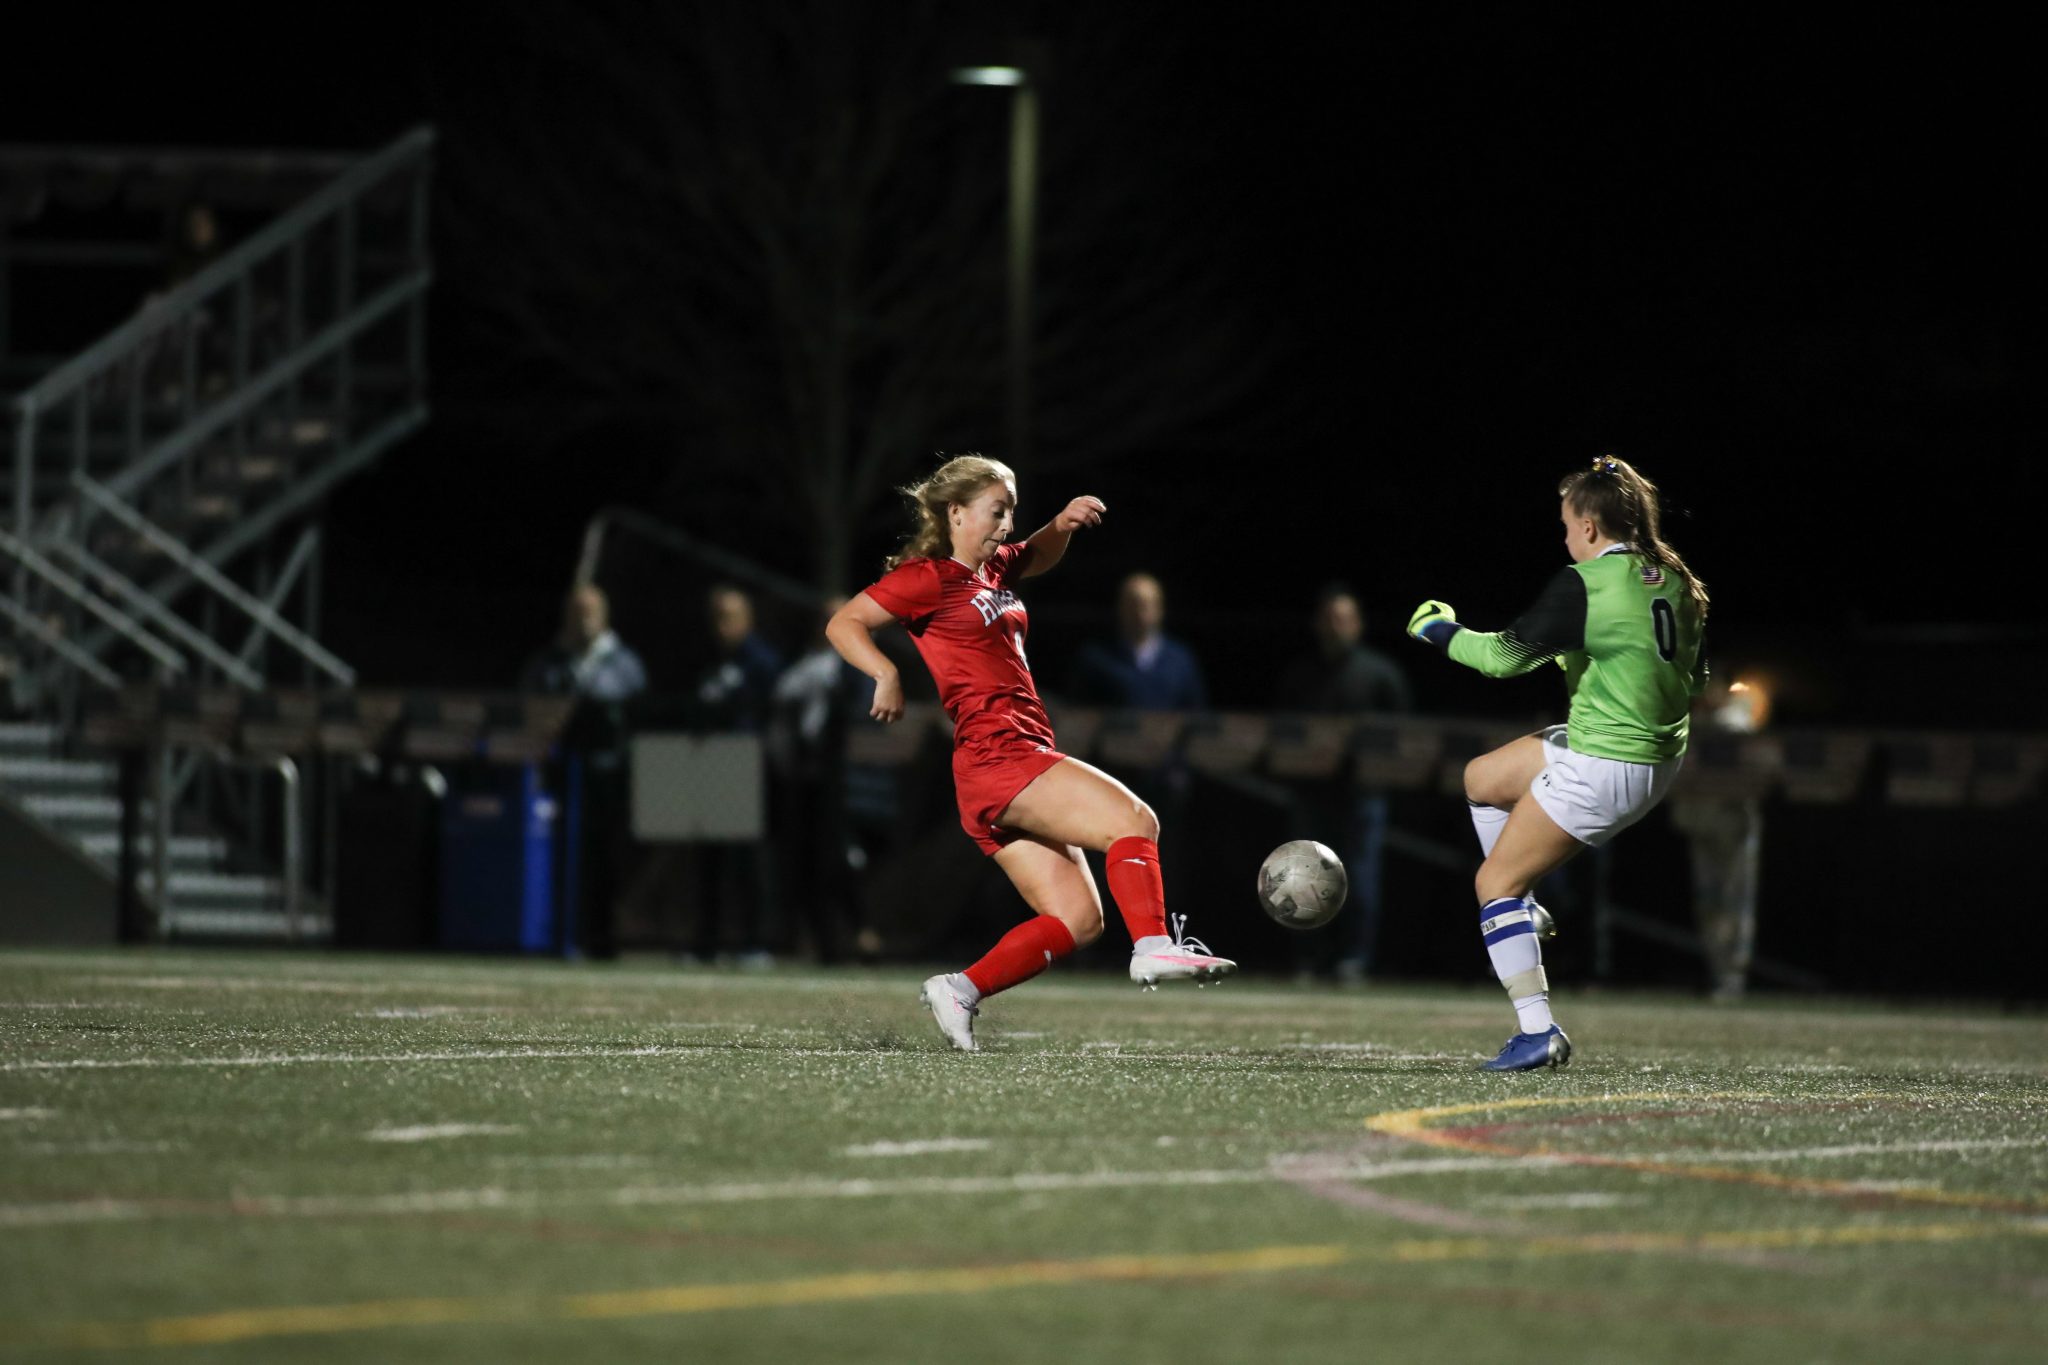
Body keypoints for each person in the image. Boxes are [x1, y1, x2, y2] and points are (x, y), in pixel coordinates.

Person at [826, 454, 1235, 1051]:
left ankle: (960, 990)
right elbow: (845, 623)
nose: (1007, 524)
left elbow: (1035, 555)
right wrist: (884, 673)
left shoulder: (991, 572)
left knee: (1077, 920)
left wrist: (1061, 525)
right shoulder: (930, 578)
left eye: (1012, 510)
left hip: (1002, 764)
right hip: (999, 755)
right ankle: (1151, 948)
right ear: (955, 512)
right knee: (1135, 821)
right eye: (997, 511)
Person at [1405, 455, 1708, 1071]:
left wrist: (1437, 630)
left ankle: (1537, 1029)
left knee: (1493, 885)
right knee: (1482, 780)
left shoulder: (1588, 584)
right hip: (1643, 751)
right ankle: (1526, 906)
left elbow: (1501, 659)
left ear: (1592, 528)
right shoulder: (1675, 579)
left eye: (1568, 523)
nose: (1565, 535)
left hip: (1609, 760)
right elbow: (1694, 677)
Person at [1275, 584, 1411, 984]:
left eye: (1344, 618)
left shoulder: (1381, 674)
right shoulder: (1300, 673)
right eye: (1330, 618)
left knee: (1361, 879)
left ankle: (1354, 959)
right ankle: (1308, 958)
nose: (1337, 627)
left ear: (1358, 623)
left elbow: (1405, 736)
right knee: (1302, 881)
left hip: (1362, 797)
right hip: (1311, 795)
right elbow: (1283, 731)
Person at [518, 584, 648, 960]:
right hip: (561, 774)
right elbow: (532, 701)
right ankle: (555, 932)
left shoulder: (622, 661)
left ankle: (603, 937)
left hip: (608, 776)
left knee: (604, 858)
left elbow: (627, 700)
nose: (583, 620)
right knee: (559, 856)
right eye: (576, 612)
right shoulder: (551, 661)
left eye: (590, 611)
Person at [687, 584, 784, 966]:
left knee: (749, 861)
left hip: (746, 767)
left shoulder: (762, 662)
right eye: (716, 617)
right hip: (709, 767)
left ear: (747, 619)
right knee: (707, 861)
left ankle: (756, 943)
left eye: (728, 616)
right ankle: (704, 944)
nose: (720, 625)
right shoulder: (707, 660)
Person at [1669, 677, 1766, 1001]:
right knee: (1709, 903)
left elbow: (1748, 748)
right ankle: (1718, 975)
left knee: (1734, 901)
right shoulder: (1687, 721)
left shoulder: (1734, 718)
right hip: (1702, 823)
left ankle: (1733, 976)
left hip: (1733, 824)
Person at [1066, 573, 1208, 711]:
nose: (1139, 613)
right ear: (1120, 607)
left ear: (1160, 609)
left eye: (1147, 604)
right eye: (1133, 604)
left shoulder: (1181, 660)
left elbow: (1195, 713)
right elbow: (1079, 712)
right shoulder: (1096, 659)